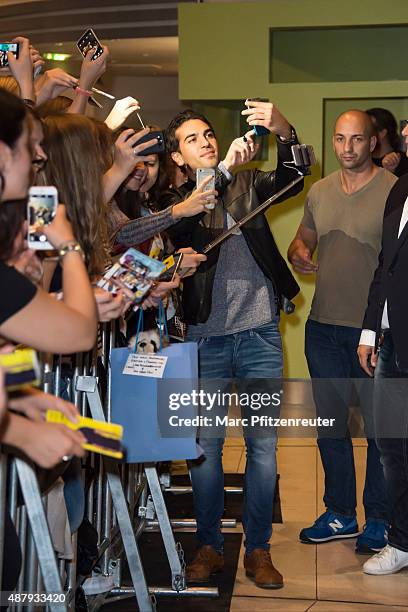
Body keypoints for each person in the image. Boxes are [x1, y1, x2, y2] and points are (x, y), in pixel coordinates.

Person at [160, 101, 303, 589]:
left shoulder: (246, 183)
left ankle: (258, 549)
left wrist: (283, 128)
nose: (205, 141)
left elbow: (293, 175)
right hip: (206, 339)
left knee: (263, 447)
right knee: (205, 448)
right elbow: (189, 232)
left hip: (260, 332)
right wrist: (218, 173)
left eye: (208, 135)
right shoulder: (174, 201)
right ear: (177, 157)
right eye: (192, 139)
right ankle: (208, 546)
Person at [288, 110, 397, 553]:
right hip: (322, 330)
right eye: (339, 139)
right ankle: (340, 513)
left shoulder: (394, 192)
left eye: (356, 139)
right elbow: (303, 240)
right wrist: (298, 252)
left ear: (373, 143)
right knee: (331, 428)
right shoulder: (319, 191)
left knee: (378, 433)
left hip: (374, 333)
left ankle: (380, 519)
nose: (346, 148)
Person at [357, 120, 408, 575]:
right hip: (392, 342)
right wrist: (371, 331)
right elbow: (384, 265)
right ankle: (402, 539)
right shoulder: (400, 188)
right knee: (391, 446)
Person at [366, 107, 408, 177]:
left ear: (382, 133)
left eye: (368, 128)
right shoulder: (364, 163)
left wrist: (389, 172)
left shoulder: (404, 162)